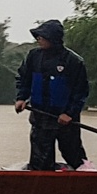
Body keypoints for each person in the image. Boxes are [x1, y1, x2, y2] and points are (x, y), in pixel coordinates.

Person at [13, 19, 90, 171]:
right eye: (38, 36)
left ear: (53, 38)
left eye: (42, 36)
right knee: (40, 159)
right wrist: (22, 98)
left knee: (73, 154)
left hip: (65, 119)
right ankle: (41, 184)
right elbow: (24, 78)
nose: (38, 39)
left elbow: (80, 91)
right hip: (40, 116)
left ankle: (86, 176)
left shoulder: (74, 61)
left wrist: (69, 113)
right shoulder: (33, 56)